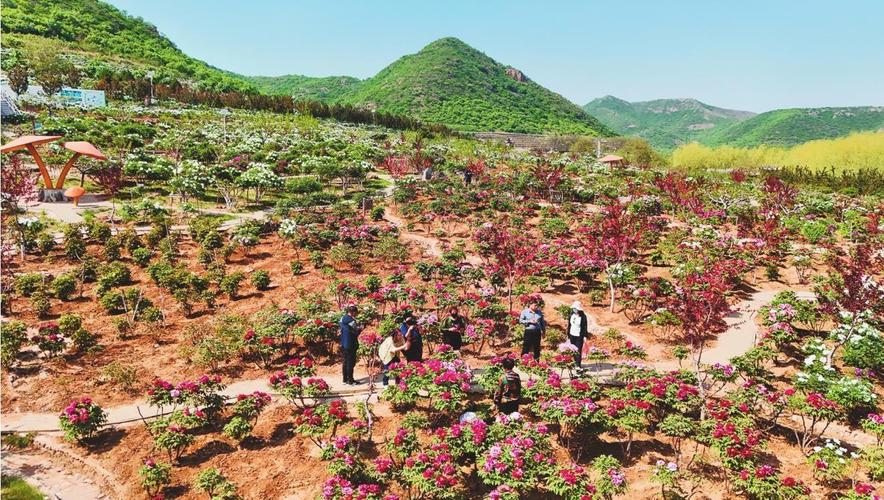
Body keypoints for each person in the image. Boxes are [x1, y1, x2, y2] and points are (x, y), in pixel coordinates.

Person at [338, 305, 361, 385]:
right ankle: (350, 380)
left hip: (343, 343)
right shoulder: (352, 321)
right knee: (350, 363)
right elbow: (356, 332)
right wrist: (361, 328)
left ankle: (345, 379)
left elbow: (341, 327)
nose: (356, 314)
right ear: (353, 312)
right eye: (356, 313)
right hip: (350, 344)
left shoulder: (342, 319)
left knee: (345, 362)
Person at [568, 300, 590, 367]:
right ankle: (575, 363)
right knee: (573, 350)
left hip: (579, 336)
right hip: (572, 335)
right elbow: (569, 325)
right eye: (573, 308)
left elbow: (585, 326)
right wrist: (568, 335)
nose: (574, 310)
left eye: (576, 308)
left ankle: (578, 365)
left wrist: (585, 336)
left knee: (578, 351)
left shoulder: (583, 317)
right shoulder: (571, 315)